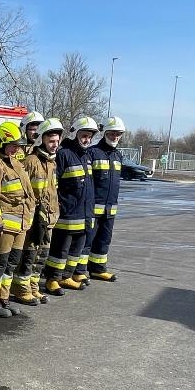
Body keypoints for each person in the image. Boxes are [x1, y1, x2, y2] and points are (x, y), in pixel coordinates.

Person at [0, 122, 35, 317]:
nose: (16, 148)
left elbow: (28, 194)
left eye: (18, 145)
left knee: (11, 263)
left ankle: (4, 298)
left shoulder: (17, 163)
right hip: (5, 226)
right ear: (2, 142)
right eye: (13, 145)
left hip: (21, 224)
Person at [43, 116, 98, 295]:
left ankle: (67, 276)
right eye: (84, 135)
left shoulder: (86, 155)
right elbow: (54, 184)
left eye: (89, 136)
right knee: (60, 250)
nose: (87, 139)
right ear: (75, 134)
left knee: (76, 250)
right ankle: (53, 279)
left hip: (84, 213)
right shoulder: (64, 154)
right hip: (67, 214)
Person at [11, 118, 62, 304]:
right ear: (42, 140)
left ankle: (33, 287)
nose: (54, 145)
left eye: (57, 141)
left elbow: (53, 191)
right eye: (51, 141)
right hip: (34, 219)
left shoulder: (51, 162)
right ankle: (21, 289)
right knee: (29, 255)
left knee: (41, 256)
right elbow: (24, 192)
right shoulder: (31, 161)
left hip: (48, 218)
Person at [75, 116, 125, 282]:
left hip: (110, 209)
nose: (115, 137)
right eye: (112, 134)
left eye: (118, 134)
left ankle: (98, 269)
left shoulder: (118, 156)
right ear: (105, 133)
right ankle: (79, 271)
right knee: (87, 241)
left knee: (104, 240)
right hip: (93, 208)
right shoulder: (93, 153)